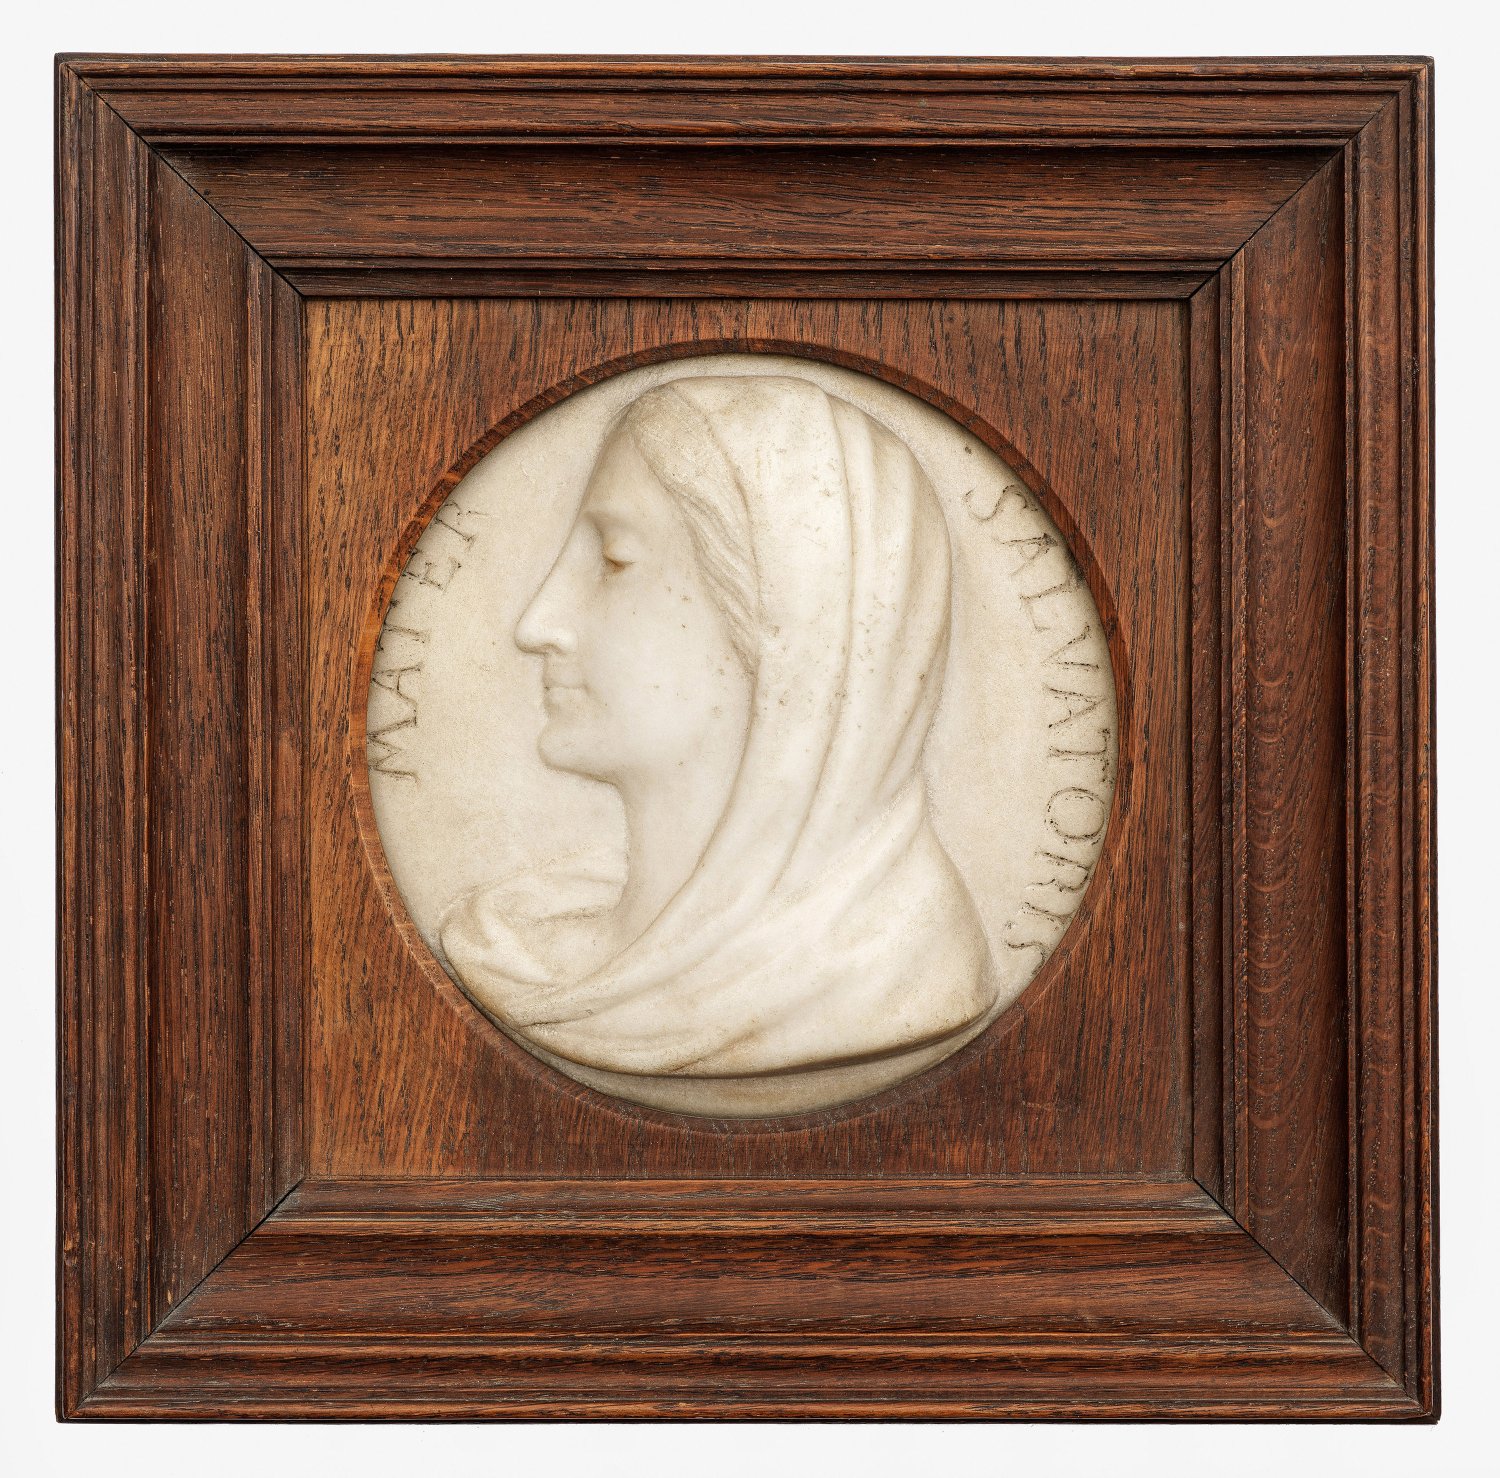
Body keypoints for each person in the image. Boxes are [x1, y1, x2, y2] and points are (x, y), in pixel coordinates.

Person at [440, 374, 998, 1115]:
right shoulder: (515, 940)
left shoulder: (897, 975)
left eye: (612, 559)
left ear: (791, 619)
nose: (537, 623)